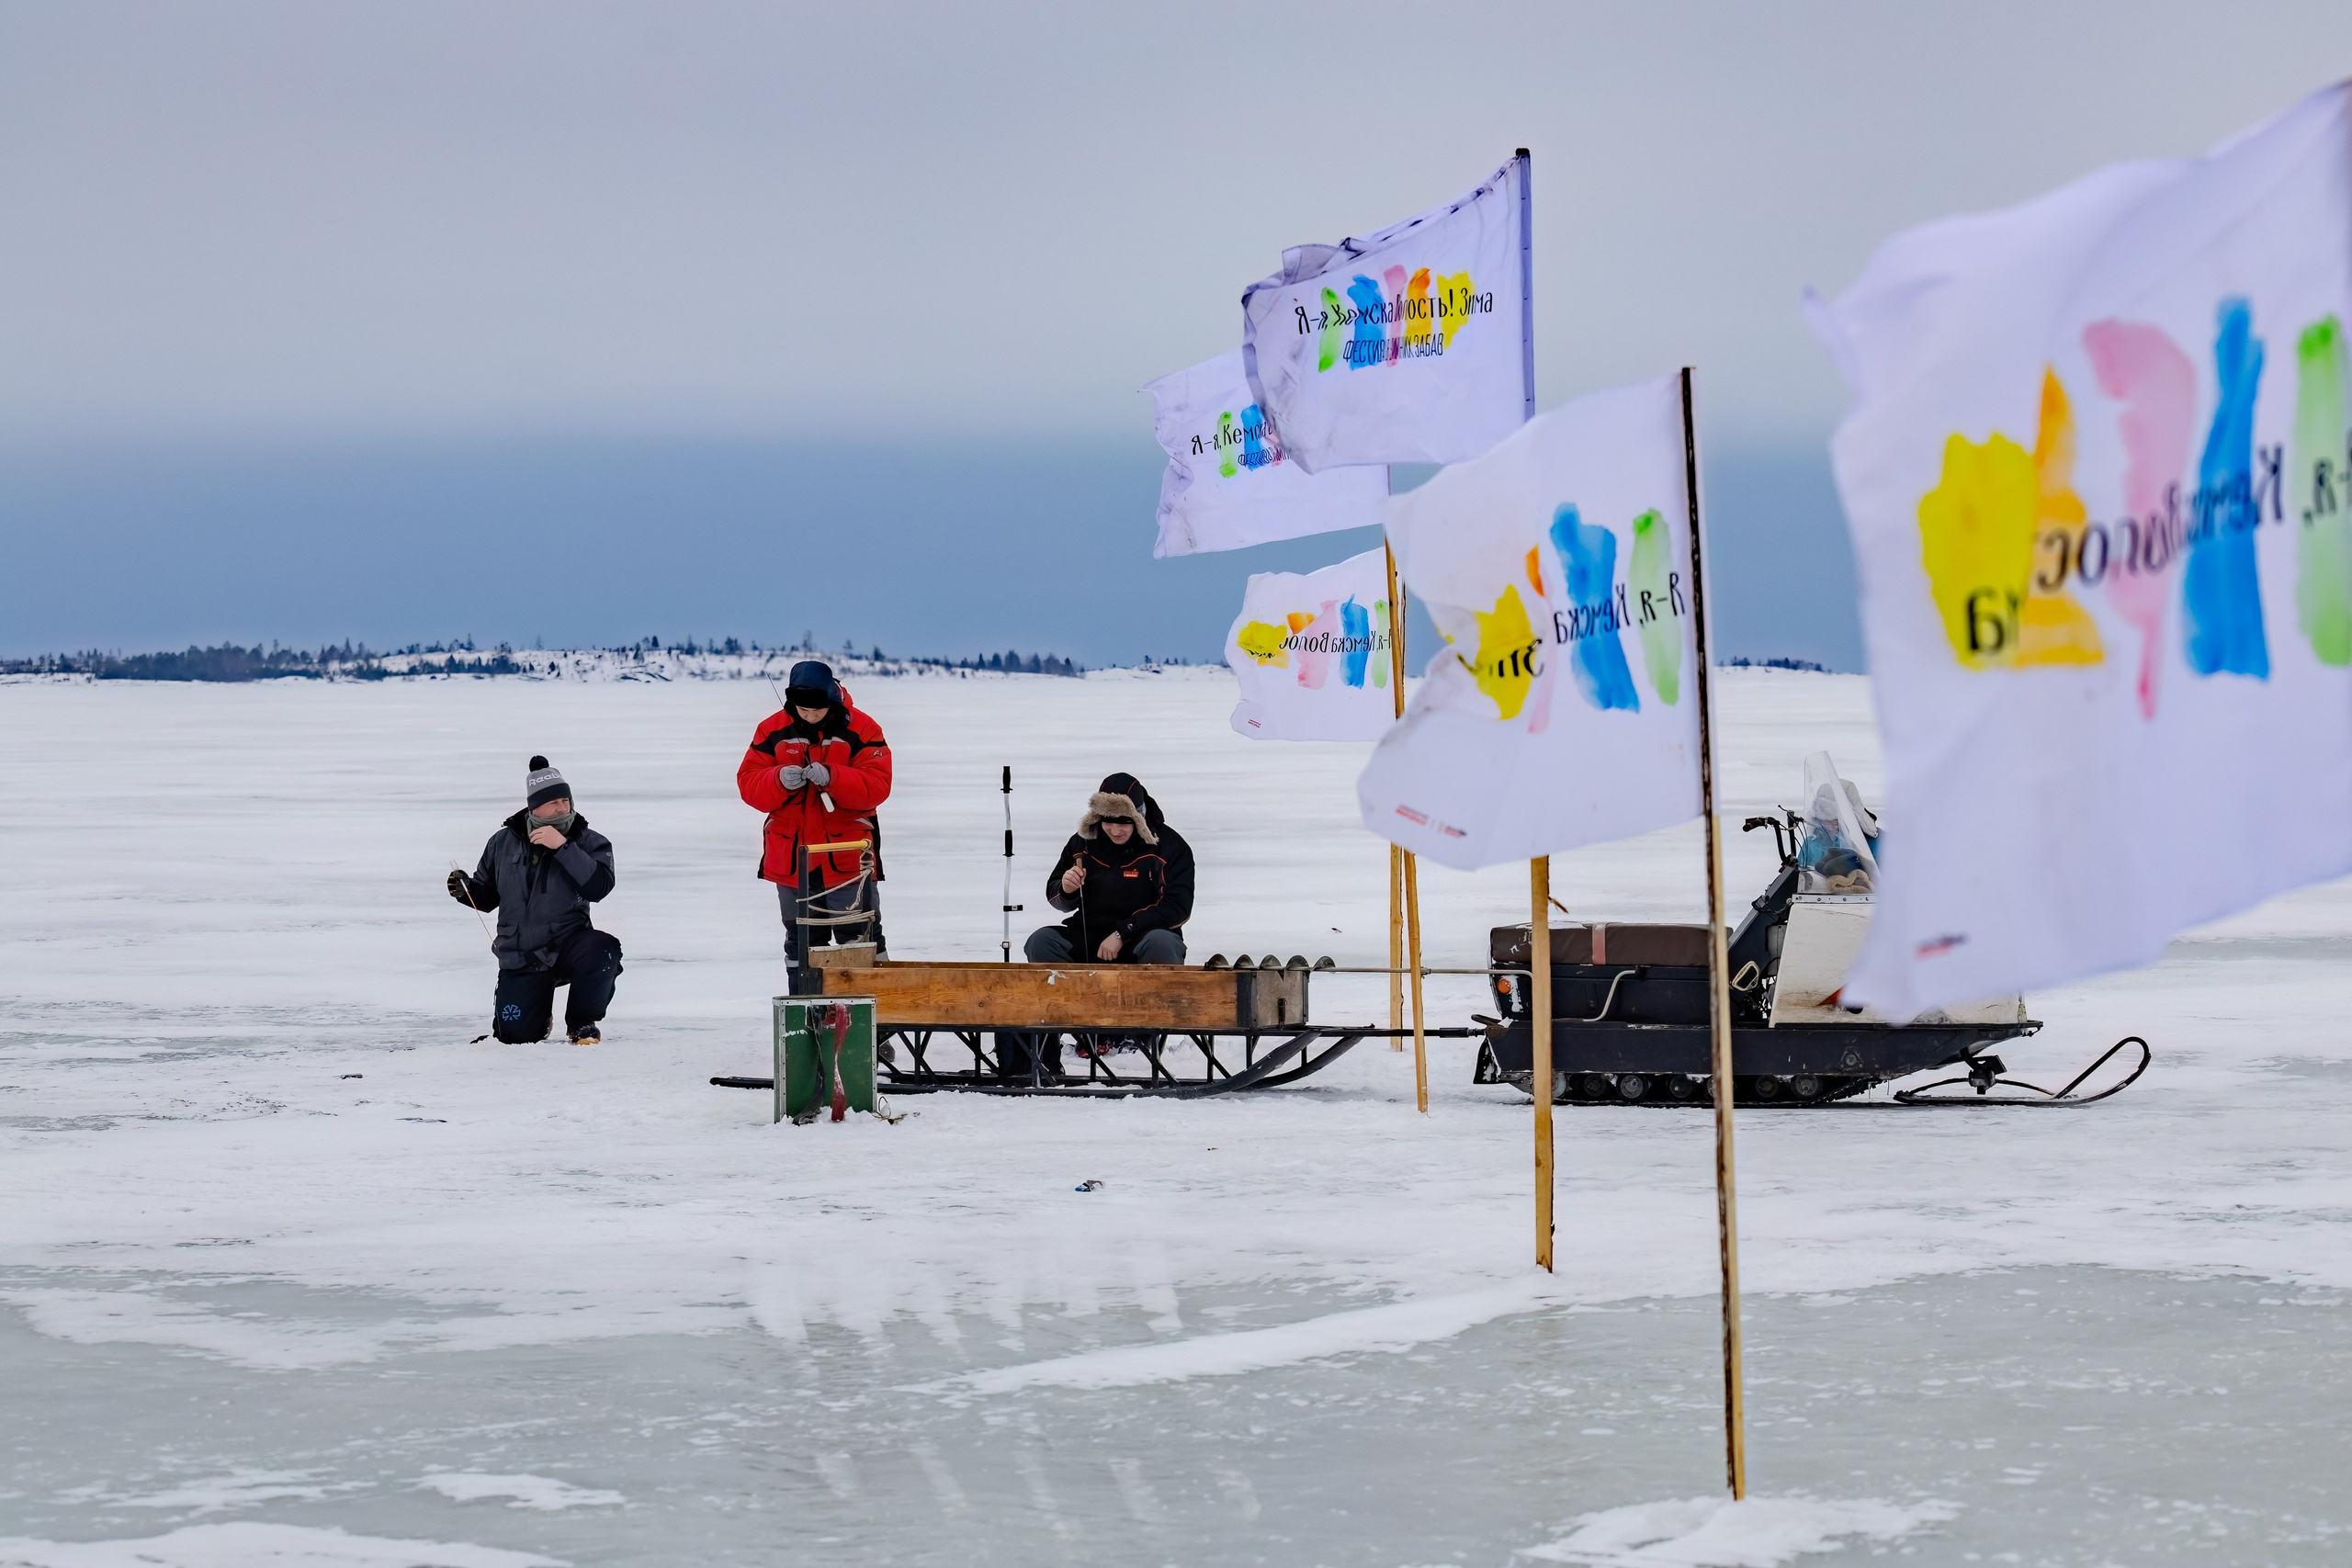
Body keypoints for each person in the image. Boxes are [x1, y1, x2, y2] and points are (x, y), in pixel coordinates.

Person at [446, 756, 622, 1044]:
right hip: (522, 956)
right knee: (513, 1037)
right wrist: (465, 891)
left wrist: (563, 847)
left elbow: (599, 888)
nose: (563, 807)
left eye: (566, 800)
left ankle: (581, 1024)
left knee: (604, 949)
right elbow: (487, 897)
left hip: (568, 946)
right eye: (554, 802)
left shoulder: (589, 842)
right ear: (534, 806)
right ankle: (537, 1020)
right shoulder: (501, 843)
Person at [737, 660, 893, 964]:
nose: (809, 716)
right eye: (802, 711)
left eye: (817, 711)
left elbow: (878, 786)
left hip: (848, 858)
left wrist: (834, 777)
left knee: (861, 941)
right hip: (793, 858)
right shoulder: (771, 730)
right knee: (803, 944)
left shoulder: (862, 728)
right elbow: (749, 785)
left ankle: (873, 1009)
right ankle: (807, 1010)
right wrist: (778, 779)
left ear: (831, 700)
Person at [1026, 773, 1194, 964]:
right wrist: (1066, 889)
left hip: (1144, 937)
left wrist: (1122, 932)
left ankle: (1157, 994)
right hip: (1090, 937)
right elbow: (1056, 898)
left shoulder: (1169, 847)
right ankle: (1062, 994)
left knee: (1163, 942)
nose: (1115, 831)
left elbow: (1178, 907)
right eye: (1108, 821)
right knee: (1041, 941)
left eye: (1125, 822)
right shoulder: (1082, 842)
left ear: (1139, 818)